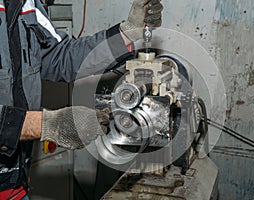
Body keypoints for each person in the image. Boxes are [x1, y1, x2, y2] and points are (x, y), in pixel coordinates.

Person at [0, 0, 163, 199]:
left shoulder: (25, 4)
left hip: (16, 182)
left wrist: (127, 33)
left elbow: (60, 56)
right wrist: (47, 125)